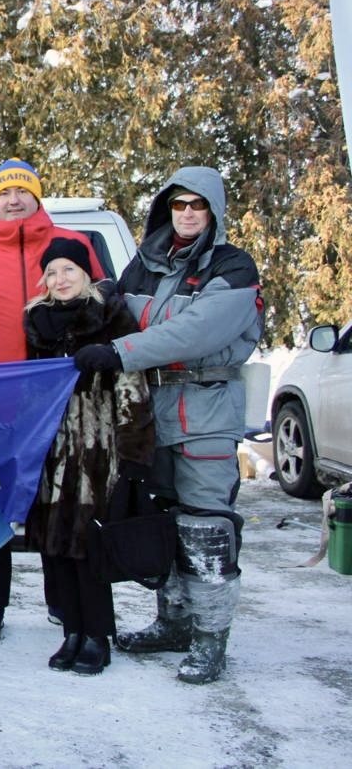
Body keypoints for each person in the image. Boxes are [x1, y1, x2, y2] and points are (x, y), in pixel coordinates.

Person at [73, 166, 263, 684]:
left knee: (206, 529)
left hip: (204, 412)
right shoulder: (145, 264)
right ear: (165, 209)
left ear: (213, 212)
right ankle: (173, 622)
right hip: (149, 415)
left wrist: (117, 351)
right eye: (178, 205)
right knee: (163, 523)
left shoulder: (232, 266)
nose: (186, 214)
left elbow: (194, 332)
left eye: (196, 206)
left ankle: (210, 639)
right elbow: (108, 305)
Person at [0, 158, 104, 642]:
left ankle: (63, 603)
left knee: (58, 502)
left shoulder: (71, 245)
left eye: (22, 191)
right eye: (4, 193)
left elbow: (103, 304)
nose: (13, 200)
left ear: (37, 197)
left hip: (61, 398)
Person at [23, 238, 155, 675]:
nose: (60, 280)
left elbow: (132, 388)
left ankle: (97, 635)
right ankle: (71, 632)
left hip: (99, 453)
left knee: (89, 546)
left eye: (69, 271)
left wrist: (134, 454)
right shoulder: (36, 322)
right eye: (53, 272)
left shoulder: (112, 316)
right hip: (52, 453)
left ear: (86, 275)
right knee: (54, 547)